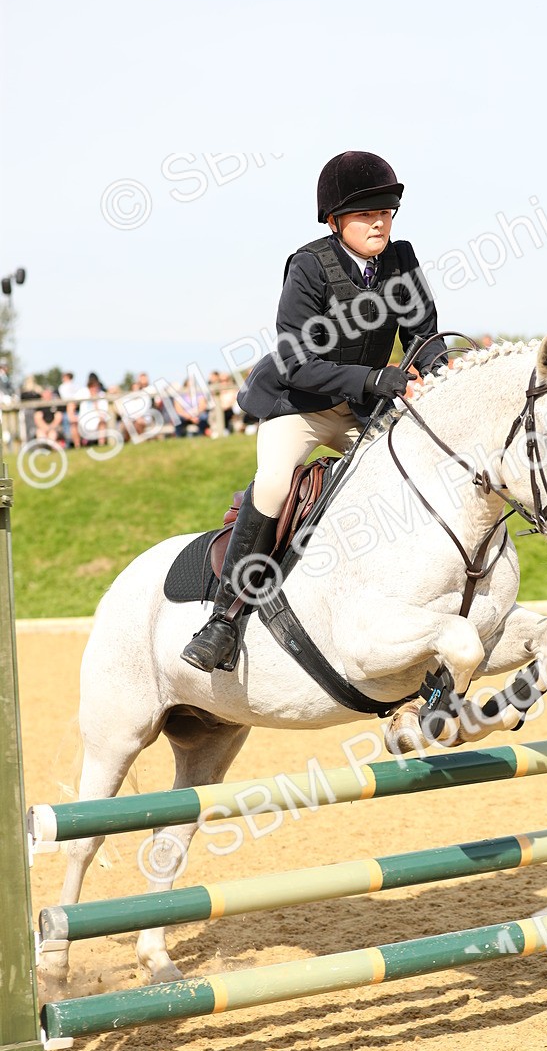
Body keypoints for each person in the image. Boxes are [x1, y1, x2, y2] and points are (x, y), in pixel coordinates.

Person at [182, 150, 448, 673]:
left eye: (386, 212)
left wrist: (442, 370)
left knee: (415, 474)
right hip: (299, 405)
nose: (379, 223)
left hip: (362, 409)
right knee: (274, 484)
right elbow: (296, 361)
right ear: (334, 221)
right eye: (366, 214)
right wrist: (371, 378)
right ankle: (223, 620)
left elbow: (424, 337)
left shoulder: (400, 260)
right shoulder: (308, 265)